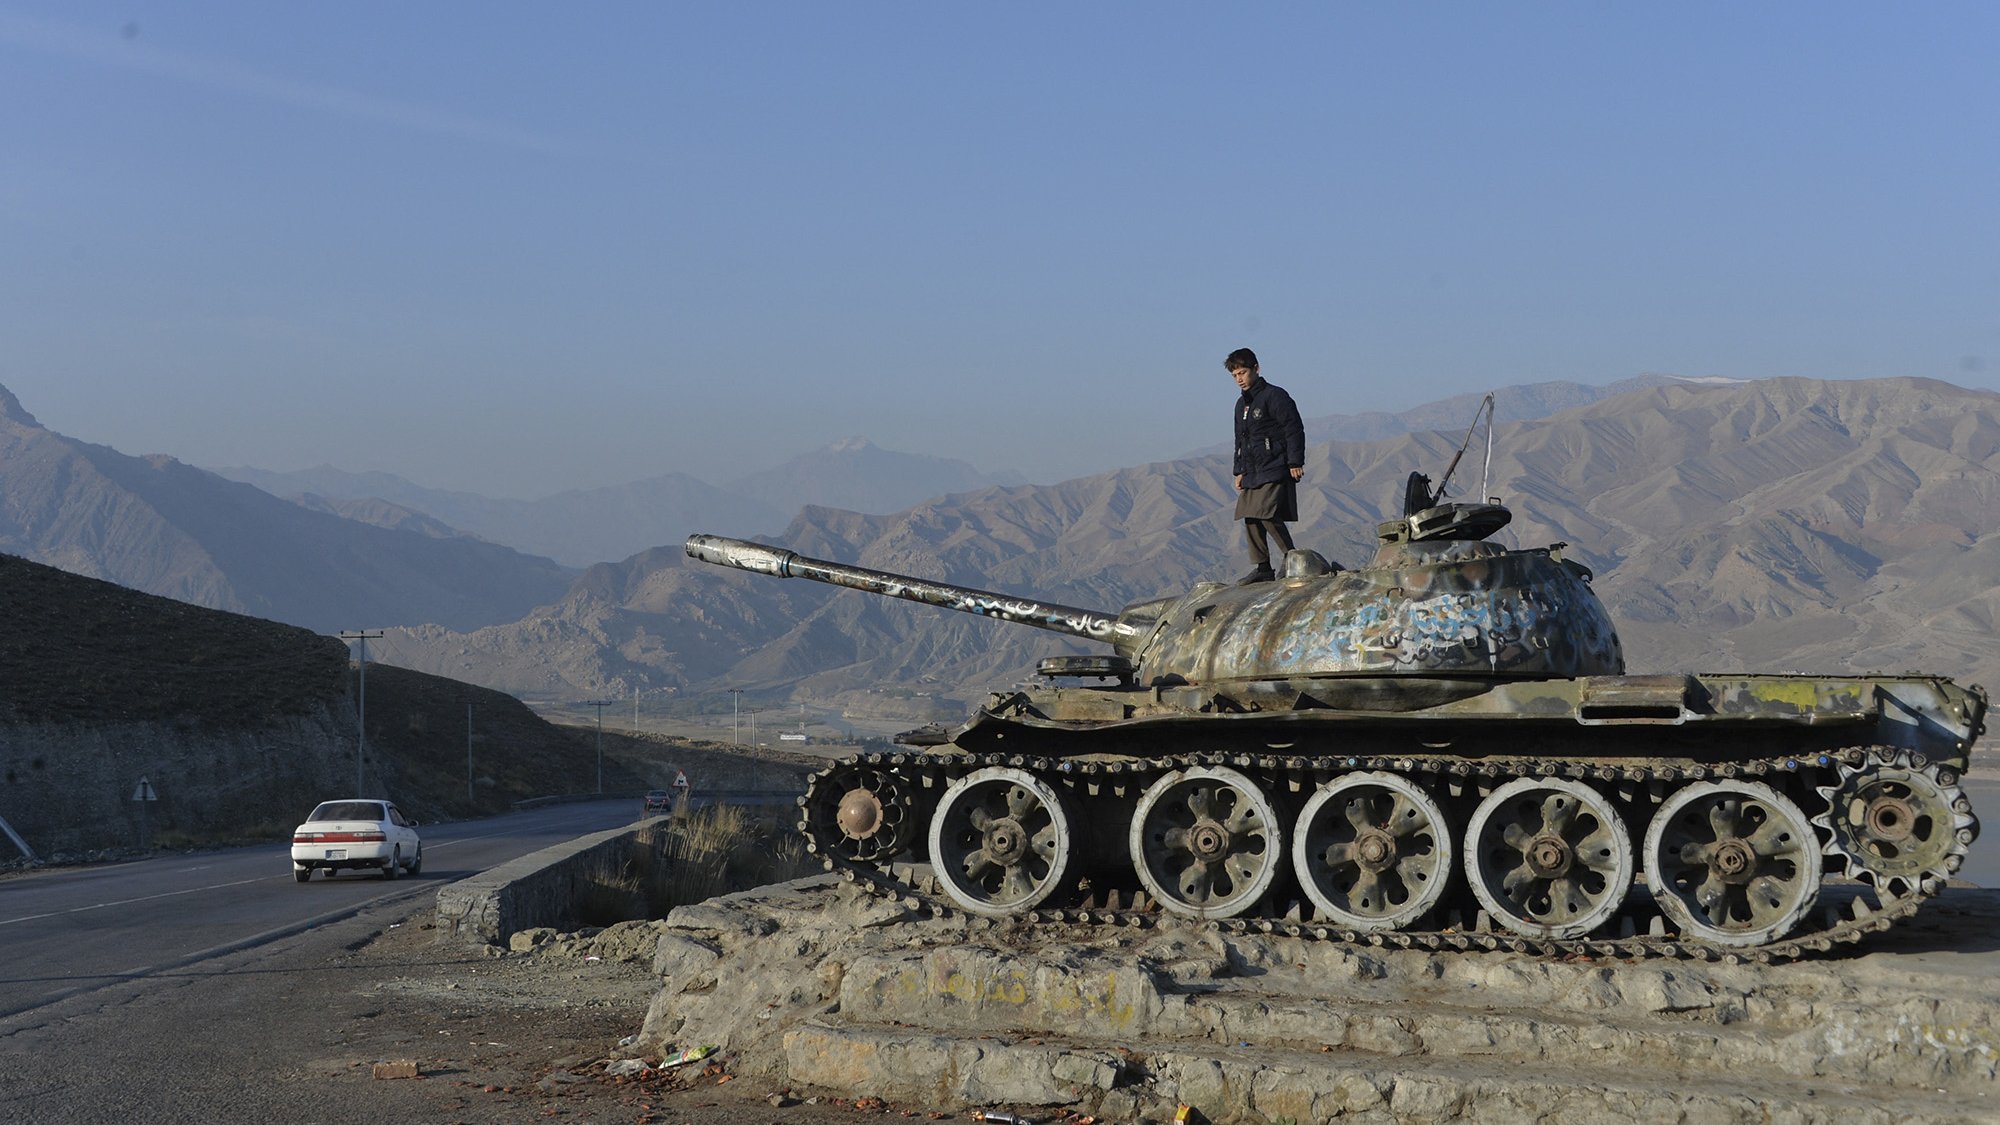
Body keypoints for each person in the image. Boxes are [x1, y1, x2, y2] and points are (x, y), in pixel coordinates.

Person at [1227, 347, 1304, 583]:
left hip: (1275, 465)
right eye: (1235, 375)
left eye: (1242, 372)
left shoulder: (1275, 396)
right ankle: (1263, 567)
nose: (1239, 379)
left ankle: (1293, 558)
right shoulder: (1241, 406)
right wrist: (1238, 470)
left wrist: (1294, 461)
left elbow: (1293, 428)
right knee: (1249, 516)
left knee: (1265, 512)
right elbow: (1240, 440)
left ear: (1256, 369)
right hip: (1253, 470)